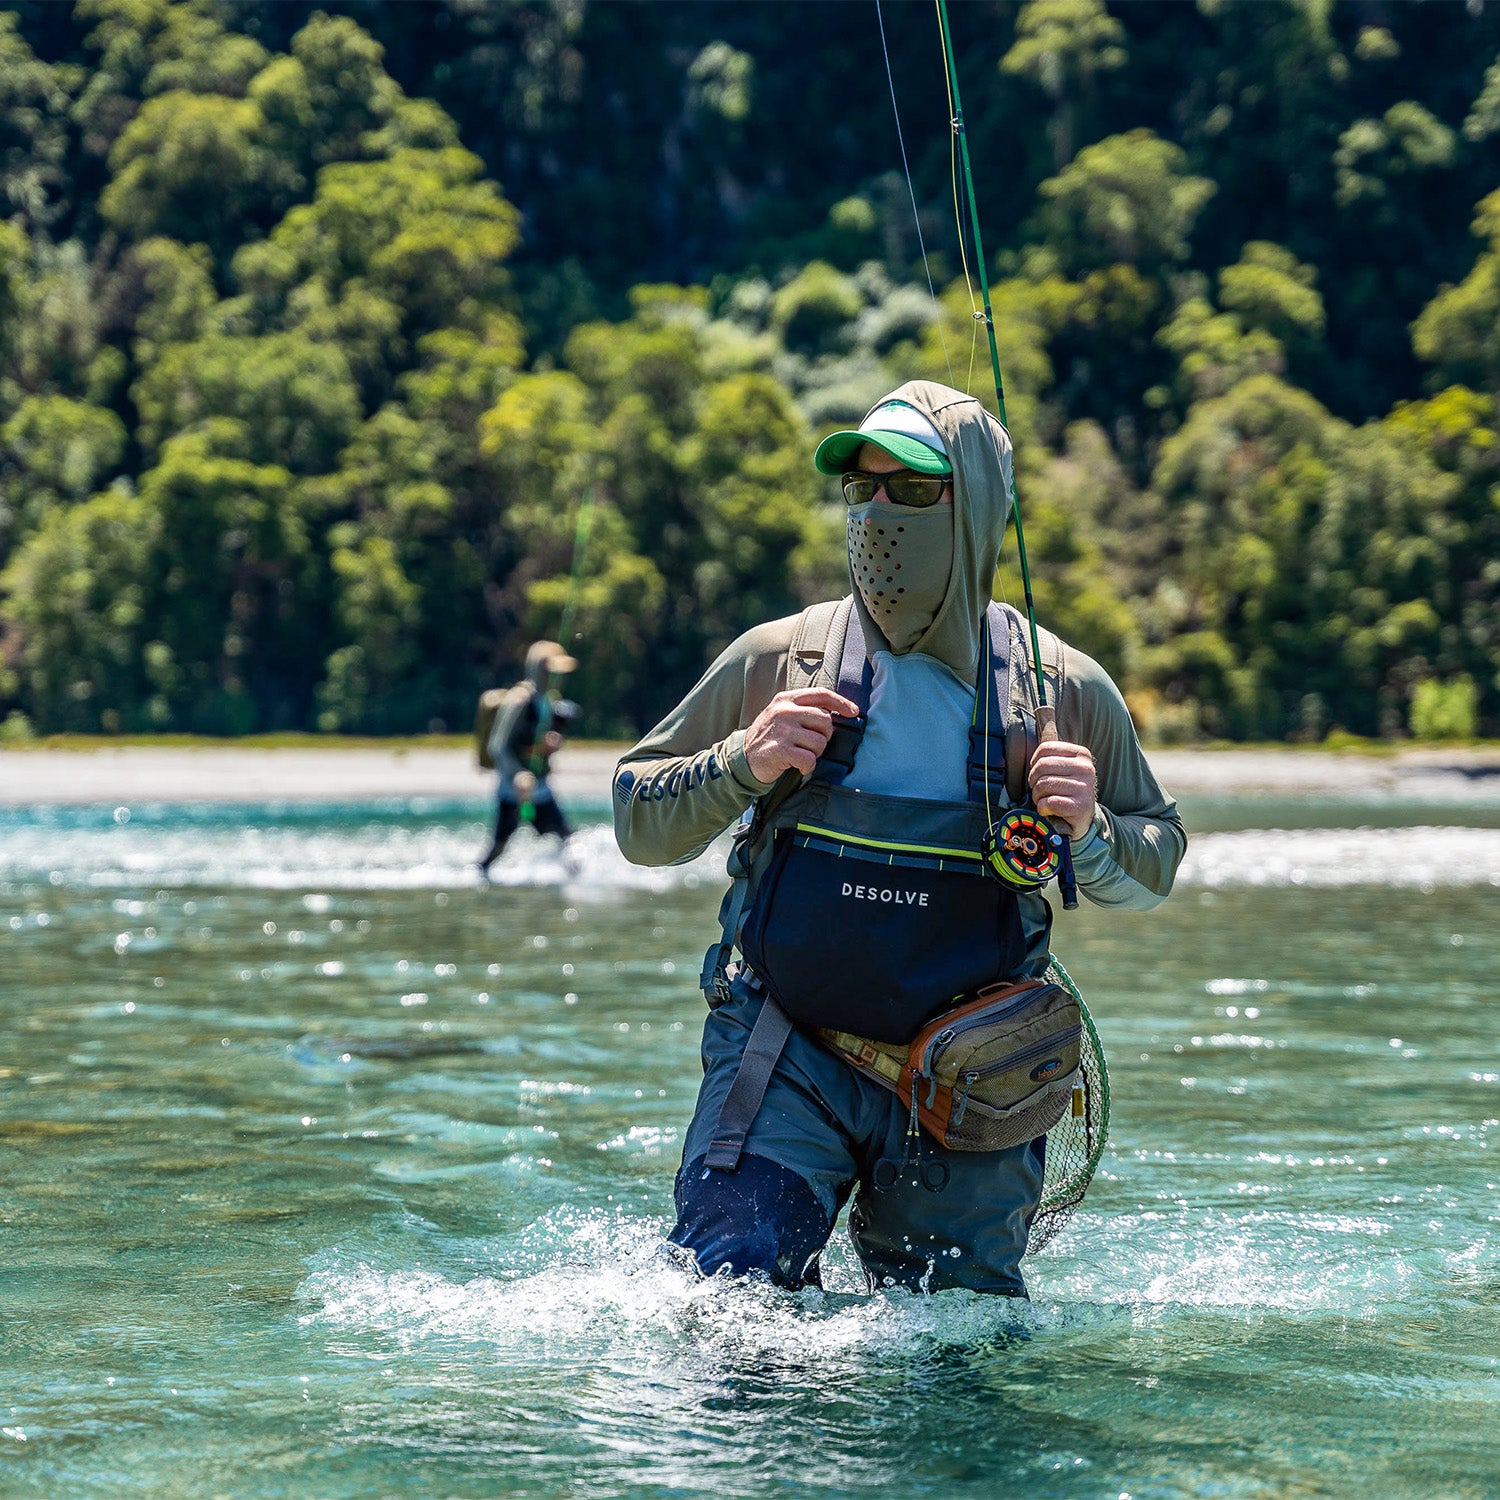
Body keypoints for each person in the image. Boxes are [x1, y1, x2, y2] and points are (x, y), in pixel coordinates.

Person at [613, 381, 1185, 1296]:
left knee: (954, 1366)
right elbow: (638, 821)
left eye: (912, 490)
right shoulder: (776, 659)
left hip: (973, 1083)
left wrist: (1092, 831)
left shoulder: (1064, 689)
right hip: (783, 1054)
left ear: (979, 508)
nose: (877, 512)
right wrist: (739, 763)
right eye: (860, 488)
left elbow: (1154, 867)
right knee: (729, 1311)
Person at [477, 639, 579, 878]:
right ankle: (478, 875)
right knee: (499, 845)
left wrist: (550, 745)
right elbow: (497, 746)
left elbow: (534, 742)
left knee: (568, 839)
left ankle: (574, 881)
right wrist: (518, 774)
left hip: (540, 789)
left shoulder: (548, 700)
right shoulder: (519, 700)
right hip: (513, 790)